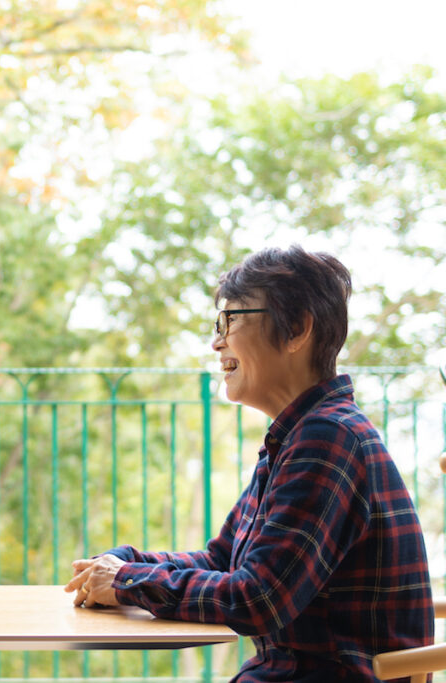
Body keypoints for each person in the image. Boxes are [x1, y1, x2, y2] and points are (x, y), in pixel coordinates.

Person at [65, 246, 433, 682]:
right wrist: (124, 562)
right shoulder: (299, 436)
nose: (216, 340)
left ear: (296, 329)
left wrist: (129, 579)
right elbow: (223, 561)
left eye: (231, 320)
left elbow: (258, 599)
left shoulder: (327, 439)